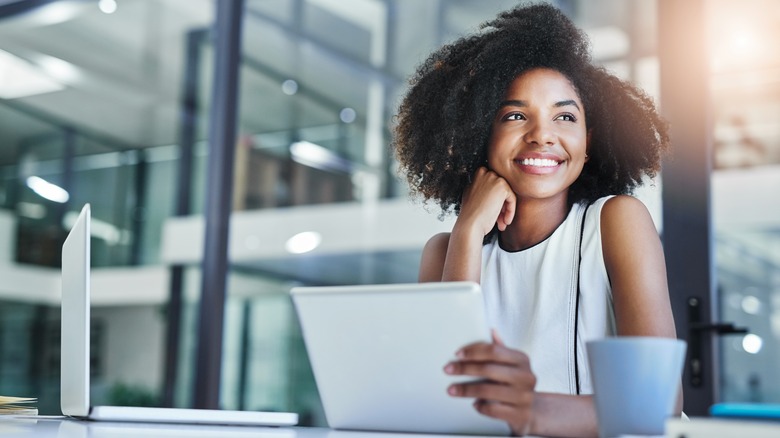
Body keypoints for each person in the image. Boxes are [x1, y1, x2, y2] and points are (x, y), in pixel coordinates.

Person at [392, 3, 679, 437]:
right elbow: (446, 399)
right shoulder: (444, 252)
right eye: (515, 116)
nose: (543, 134)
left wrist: (531, 411)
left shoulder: (615, 222)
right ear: (478, 133)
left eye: (565, 116)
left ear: (588, 140)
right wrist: (468, 232)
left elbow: (660, 403)